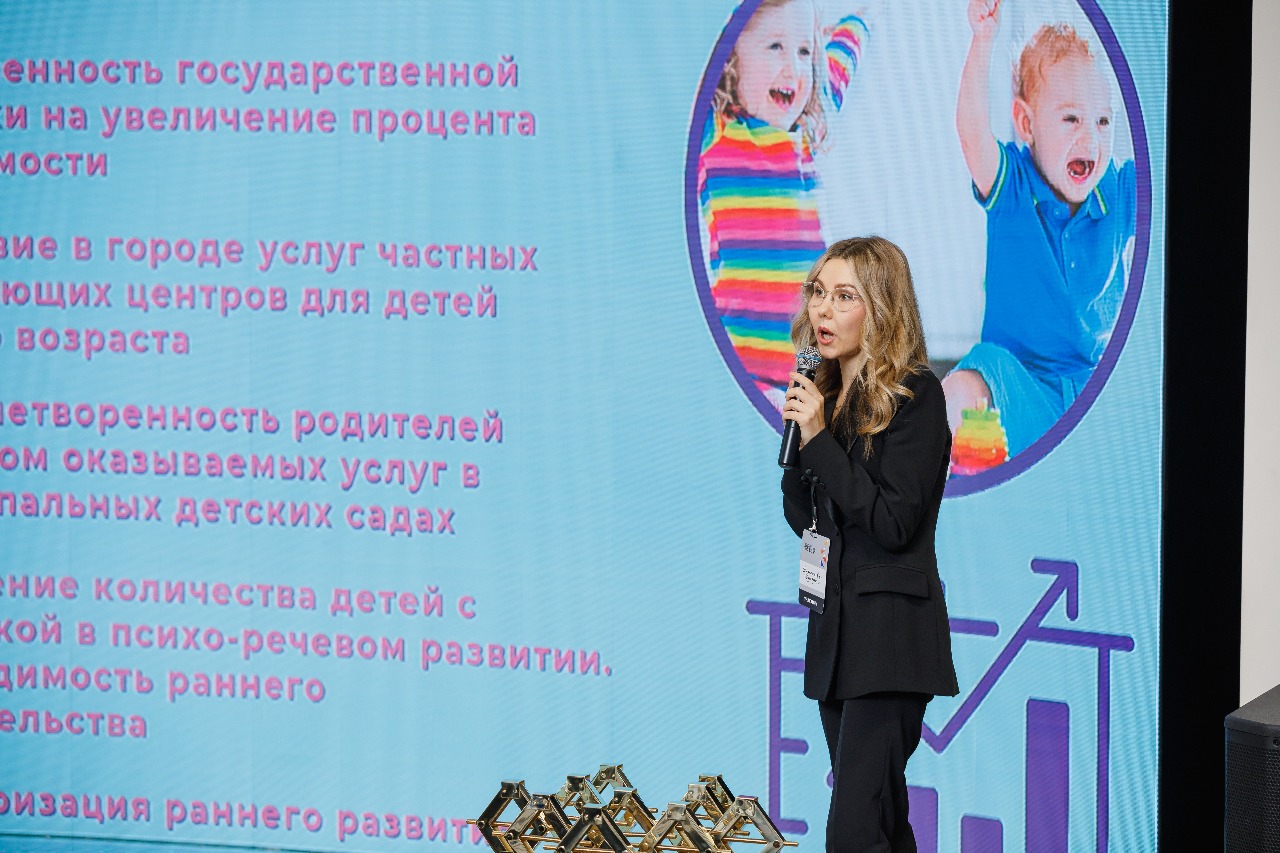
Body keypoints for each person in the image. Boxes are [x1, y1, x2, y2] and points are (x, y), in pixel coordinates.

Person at [781, 236, 958, 852]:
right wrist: (802, 441)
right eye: (818, 293)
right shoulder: (824, 394)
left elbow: (893, 523)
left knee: (854, 833)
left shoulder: (917, 396)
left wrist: (819, 441)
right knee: (882, 824)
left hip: (890, 642)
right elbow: (804, 516)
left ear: (881, 308)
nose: (823, 310)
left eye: (844, 296)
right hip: (836, 638)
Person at [944, 0, 1136, 461]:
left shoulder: (1120, 191)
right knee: (958, 390)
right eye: (1071, 118)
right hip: (1015, 385)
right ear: (1026, 124)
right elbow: (972, 134)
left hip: (1096, 391)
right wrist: (983, 40)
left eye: (1103, 120)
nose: (1090, 137)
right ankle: (969, 464)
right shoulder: (1013, 184)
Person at [699, 0, 868, 409]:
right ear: (730, 59)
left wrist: (860, 17)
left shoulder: (805, 132)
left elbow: (841, 60)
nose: (794, 68)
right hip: (746, 373)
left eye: (805, 51)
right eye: (775, 46)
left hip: (810, 368)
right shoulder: (716, 132)